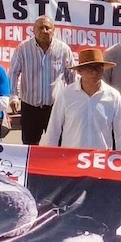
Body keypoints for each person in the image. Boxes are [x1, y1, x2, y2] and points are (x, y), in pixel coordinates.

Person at [9, 16, 77, 145]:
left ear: (54, 30)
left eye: (47, 28)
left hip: (56, 107)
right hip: (30, 107)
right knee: (30, 145)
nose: (44, 31)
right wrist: (13, 96)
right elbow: (13, 73)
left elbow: (71, 76)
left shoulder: (63, 49)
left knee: (59, 145)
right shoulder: (23, 48)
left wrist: (73, 101)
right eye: (40, 28)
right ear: (33, 30)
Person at [41, 48, 121, 150]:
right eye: (90, 68)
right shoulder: (65, 95)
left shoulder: (114, 97)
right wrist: (50, 158)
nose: (94, 72)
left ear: (103, 69)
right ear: (80, 71)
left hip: (100, 160)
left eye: (98, 68)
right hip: (70, 160)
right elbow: (53, 131)